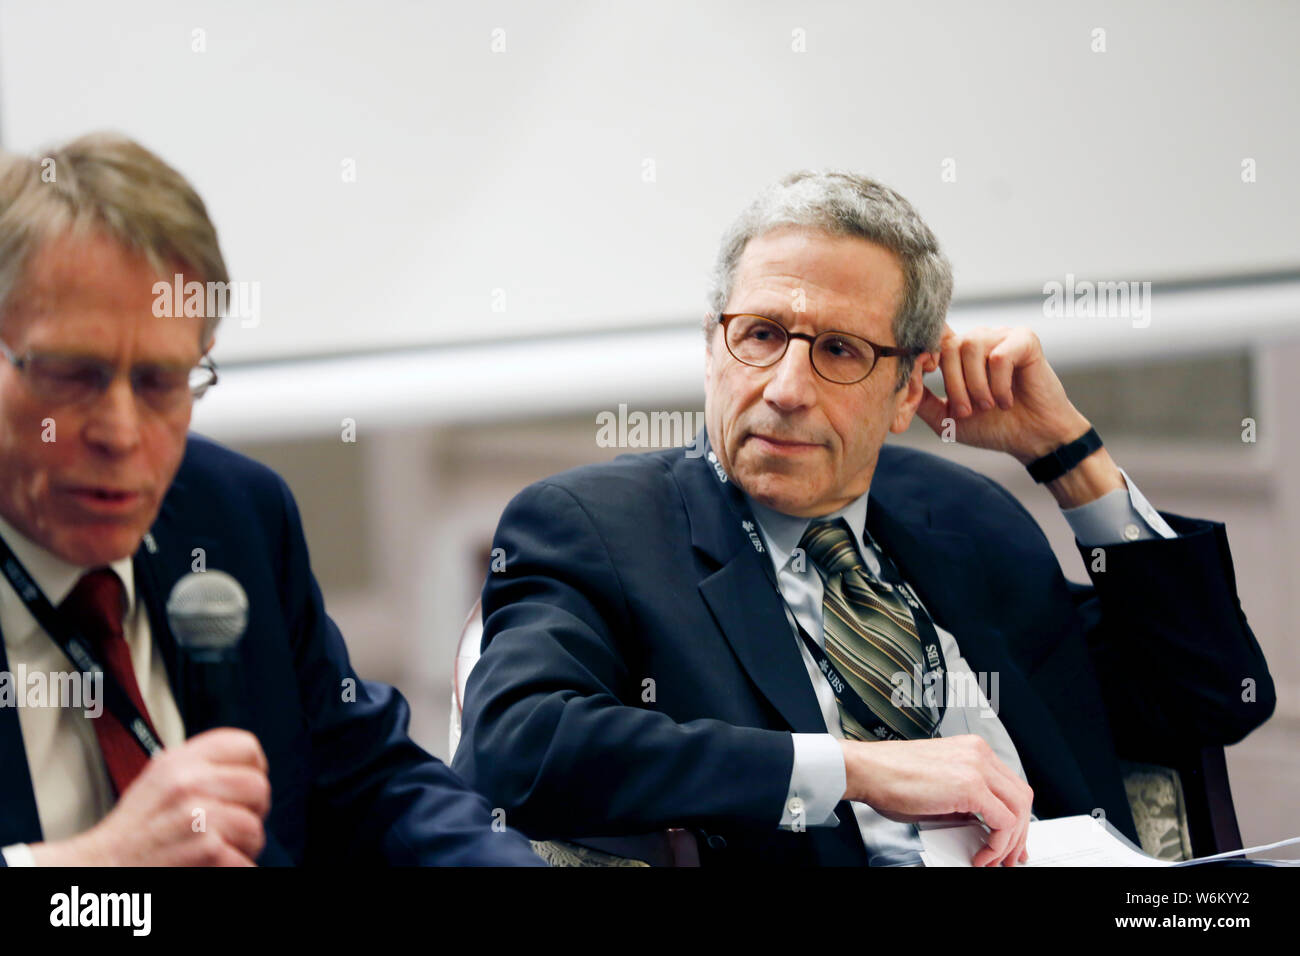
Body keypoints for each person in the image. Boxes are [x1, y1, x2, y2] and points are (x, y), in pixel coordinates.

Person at [452, 170, 1276, 867]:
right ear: (712, 347)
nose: (785, 388)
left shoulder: (961, 517)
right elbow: (516, 745)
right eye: (762, 335)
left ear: (908, 391)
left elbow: (1211, 699)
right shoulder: (600, 529)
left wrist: (1069, 457)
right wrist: (851, 770)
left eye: (841, 351)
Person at [0, 132, 543, 866]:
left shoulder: (232, 516)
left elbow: (371, 782)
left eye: (161, 383)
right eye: (72, 374)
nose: (121, 432)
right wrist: (84, 871)